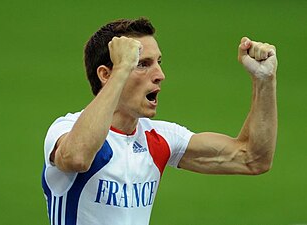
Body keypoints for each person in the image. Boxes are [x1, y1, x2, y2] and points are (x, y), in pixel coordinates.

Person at [41, 18, 278, 225]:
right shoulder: (66, 128)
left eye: (158, 62)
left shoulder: (160, 138)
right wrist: (122, 67)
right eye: (142, 64)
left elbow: (252, 158)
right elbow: (77, 157)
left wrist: (264, 81)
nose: (160, 75)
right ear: (105, 74)